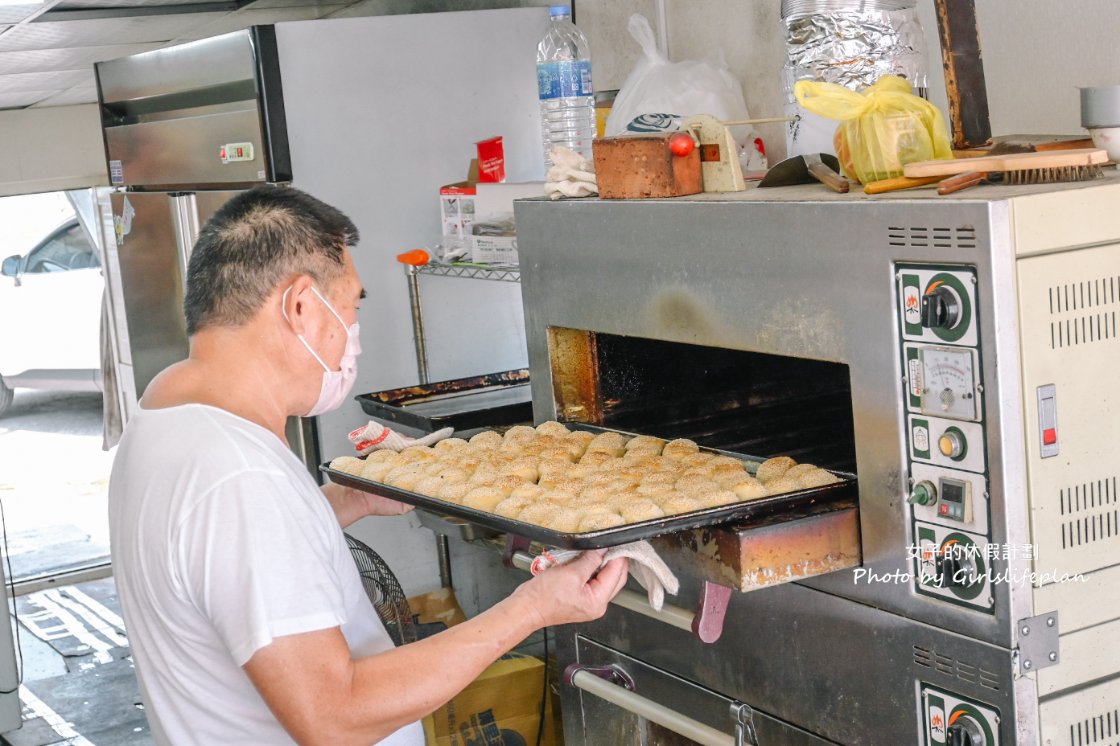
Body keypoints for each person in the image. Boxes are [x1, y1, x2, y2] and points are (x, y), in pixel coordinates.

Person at [107, 185, 629, 745]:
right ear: (302, 307)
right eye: (351, 307)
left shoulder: (166, 412)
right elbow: (333, 716)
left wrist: (347, 499)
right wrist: (530, 610)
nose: (351, 336)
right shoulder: (240, 479)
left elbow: (217, 559)